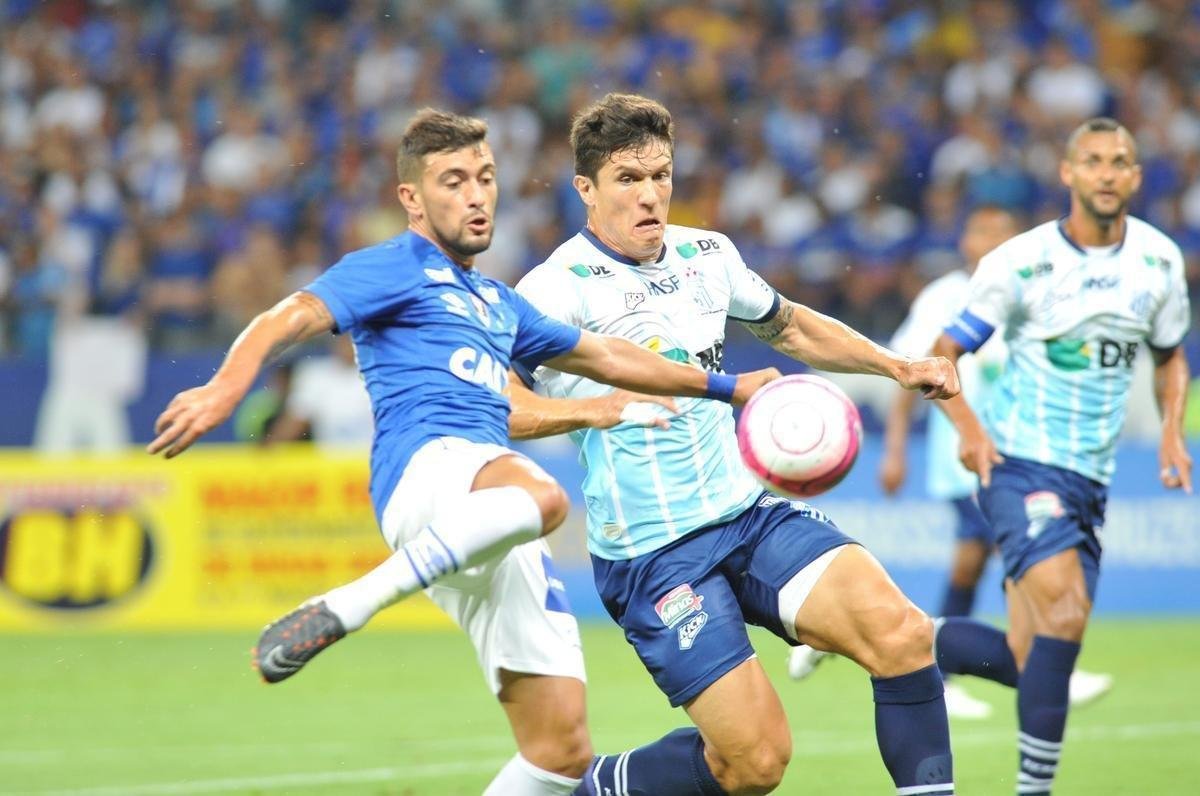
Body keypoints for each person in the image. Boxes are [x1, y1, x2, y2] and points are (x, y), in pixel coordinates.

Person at [146, 108, 779, 796]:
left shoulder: (498, 301)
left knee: (559, 753)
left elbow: (605, 355)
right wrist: (224, 387)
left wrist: (725, 386)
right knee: (543, 496)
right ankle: (352, 603)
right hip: (432, 471)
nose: (476, 196)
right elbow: (290, 315)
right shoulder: (395, 267)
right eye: (453, 181)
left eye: (485, 178)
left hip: (483, 521)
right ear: (411, 199)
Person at [509, 93, 961, 796]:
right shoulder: (552, 289)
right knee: (754, 766)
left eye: (661, 174)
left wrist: (895, 367)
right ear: (586, 190)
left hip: (749, 515)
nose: (651, 194)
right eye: (628, 179)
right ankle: (590, 787)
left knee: (902, 636)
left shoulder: (706, 254)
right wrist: (598, 409)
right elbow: (499, 406)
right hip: (654, 555)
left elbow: (793, 328)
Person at [929, 117, 1192, 795]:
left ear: (1136, 176)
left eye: (1121, 162)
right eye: (1094, 160)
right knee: (1067, 612)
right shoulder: (1021, 262)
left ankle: (876, 629)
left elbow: (1170, 358)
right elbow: (941, 356)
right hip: (1020, 466)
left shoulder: (1160, 262)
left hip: (1091, 481)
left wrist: (1171, 430)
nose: (1108, 173)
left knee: (1027, 653)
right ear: (1068, 173)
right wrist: (968, 429)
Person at [790, 205, 1112, 718]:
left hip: (1023, 455)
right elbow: (907, 374)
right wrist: (895, 449)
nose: (989, 241)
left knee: (977, 560)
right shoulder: (941, 298)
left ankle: (889, 649)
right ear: (963, 240)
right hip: (967, 458)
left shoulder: (1032, 292)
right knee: (1023, 558)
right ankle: (1047, 668)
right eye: (980, 229)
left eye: (1002, 232)